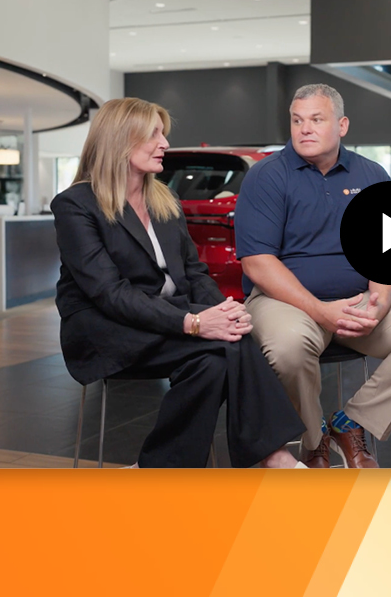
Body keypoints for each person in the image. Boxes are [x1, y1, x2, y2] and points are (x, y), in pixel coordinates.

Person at [52, 97, 305, 468]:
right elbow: (109, 293)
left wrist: (222, 310)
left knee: (216, 357)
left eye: (163, 134)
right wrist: (194, 322)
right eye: (154, 134)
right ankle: (276, 457)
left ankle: (159, 469)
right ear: (120, 139)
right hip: (105, 328)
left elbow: (194, 272)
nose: (165, 144)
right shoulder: (75, 205)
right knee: (228, 347)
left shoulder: (163, 198)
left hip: (164, 317)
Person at [234, 84, 391, 468]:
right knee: (287, 348)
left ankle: (351, 422)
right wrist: (320, 311)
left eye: (316, 119)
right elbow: (257, 263)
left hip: (360, 299)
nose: (305, 129)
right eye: (297, 121)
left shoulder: (371, 173)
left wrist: (380, 302)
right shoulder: (266, 176)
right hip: (287, 302)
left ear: (342, 125)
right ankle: (313, 440)